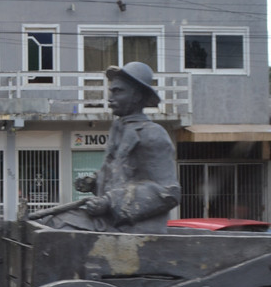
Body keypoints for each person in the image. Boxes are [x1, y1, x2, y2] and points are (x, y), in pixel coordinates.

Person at [42, 62, 180, 233]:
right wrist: (94, 182)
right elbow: (122, 177)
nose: (110, 98)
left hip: (134, 228)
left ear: (136, 96)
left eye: (118, 91)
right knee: (45, 221)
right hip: (109, 222)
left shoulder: (152, 134)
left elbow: (169, 193)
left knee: (57, 226)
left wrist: (110, 202)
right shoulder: (118, 128)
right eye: (111, 91)